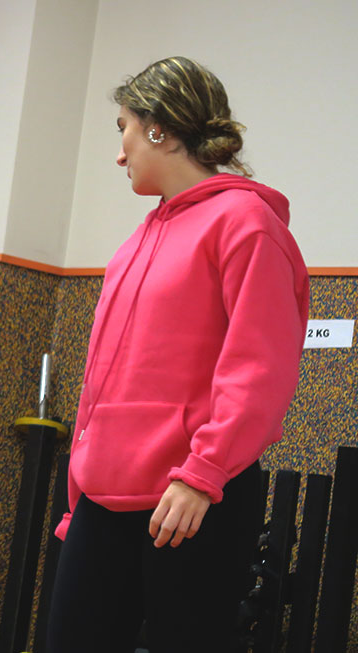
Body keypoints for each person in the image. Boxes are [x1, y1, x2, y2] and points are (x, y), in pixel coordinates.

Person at [46, 57, 309, 653]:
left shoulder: (247, 222)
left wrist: (202, 475)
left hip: (190, 497)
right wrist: (79, 496)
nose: (120, 152)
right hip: (102, 502)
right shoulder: (137, 239)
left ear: (158, 128)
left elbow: (259, 368)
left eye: (124, 128)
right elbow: (103, 382)